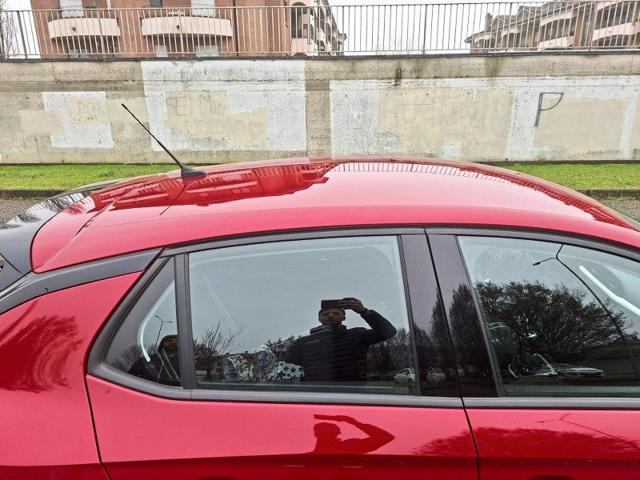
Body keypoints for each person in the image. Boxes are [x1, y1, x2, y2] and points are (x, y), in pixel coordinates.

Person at [286, 297, 397, 383]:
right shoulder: (302, 343)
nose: (330, 316)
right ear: (319, 319)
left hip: (352, 394)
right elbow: (289, 369)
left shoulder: (358, 335)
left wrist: (364, 311)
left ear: (344, 317)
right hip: (314, 395)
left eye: (336, 313)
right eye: (325, 314)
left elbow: (389, 332)